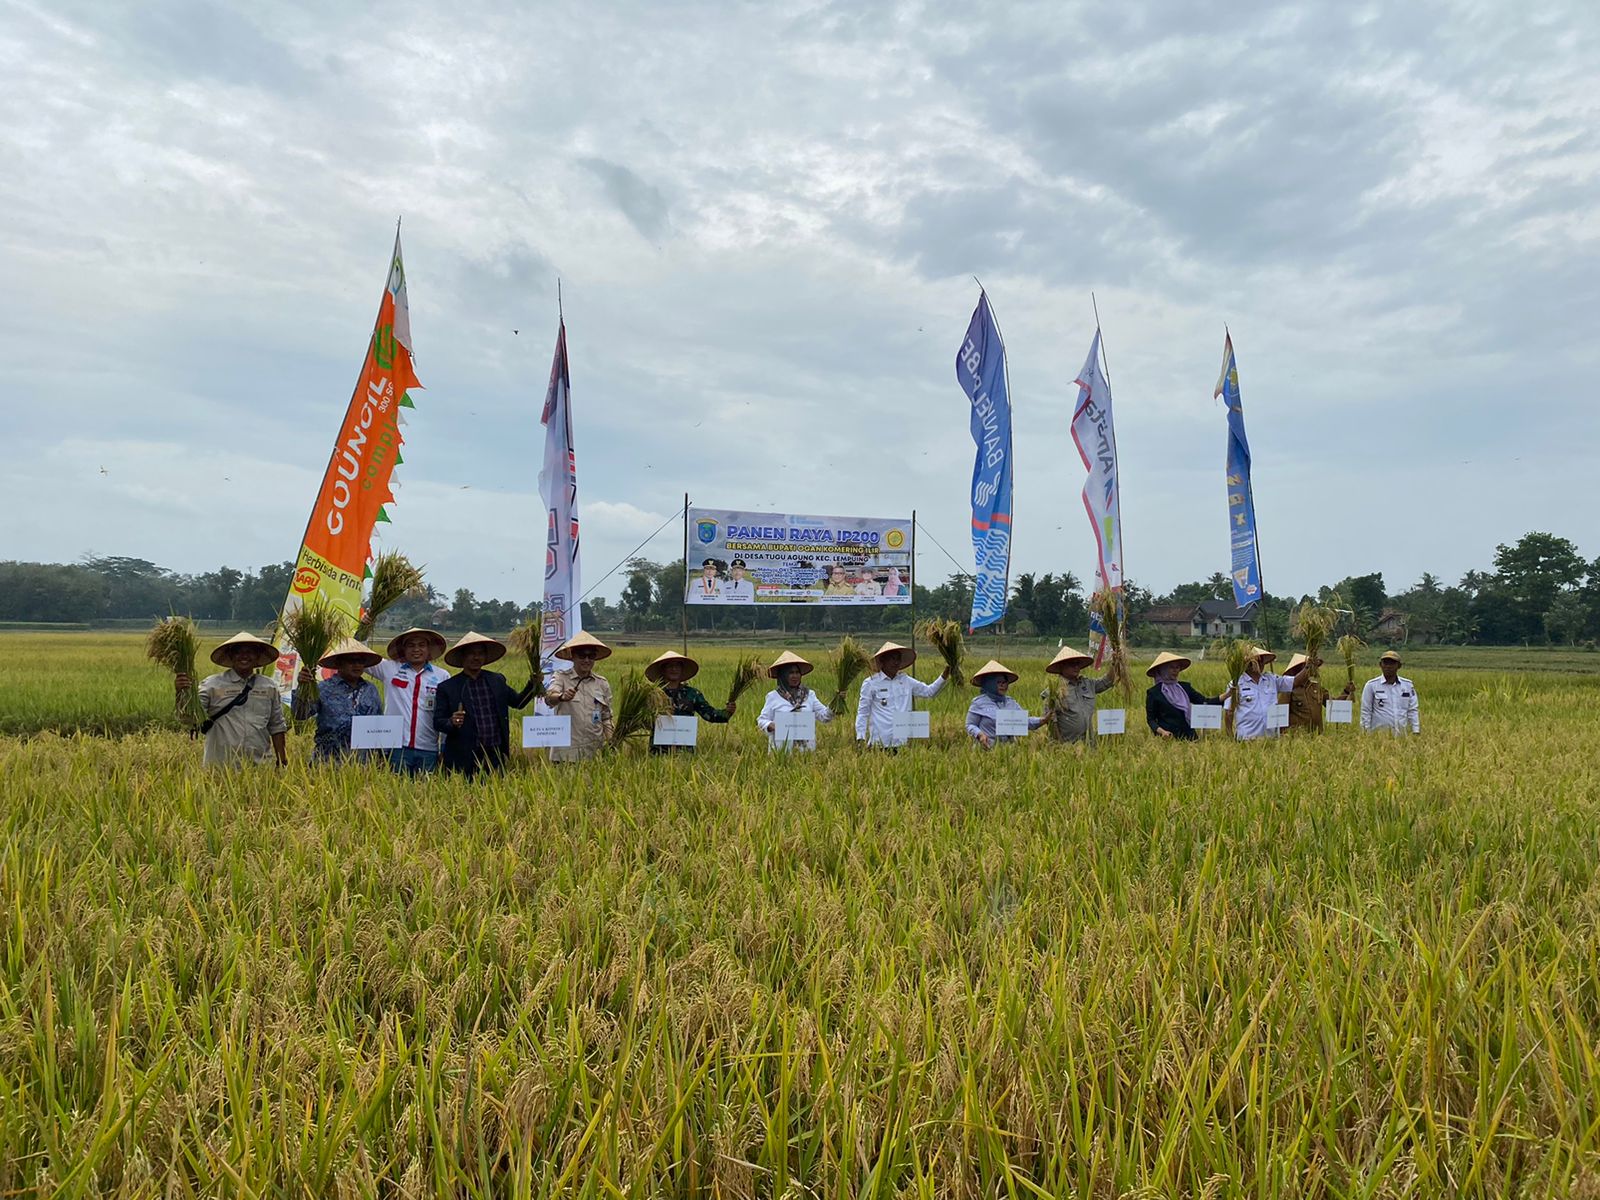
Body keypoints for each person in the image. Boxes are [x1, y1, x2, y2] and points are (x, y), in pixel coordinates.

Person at [432, 631, 541, 776]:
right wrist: (452, 722)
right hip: (463, 755)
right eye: (471, 653)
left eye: (480, 653)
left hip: (495, 753)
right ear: (462, 656)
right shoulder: (448, 687)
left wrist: (532, 685)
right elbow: (438, 722)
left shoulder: (497, 680)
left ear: (485, 656)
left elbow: (518, 702)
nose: (476, 657)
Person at [175, 631, 289, 767]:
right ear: (230, 656)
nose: (244, 656)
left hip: (261, 766)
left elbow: (276, 726)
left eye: (250, 652)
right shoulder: (211, 685)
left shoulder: (269, 687)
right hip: (220, 767)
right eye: (238, 652)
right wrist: (181, 693)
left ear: (258, 656)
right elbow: (189, 718)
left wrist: (282, 760)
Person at [368, 627, 450, 774]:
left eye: (421, 645)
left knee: (426, 794)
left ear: (428, 649)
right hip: (396, 748)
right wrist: (364, 627)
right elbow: (361, 654)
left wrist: (444, 748)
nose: (416, 649)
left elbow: (445, 714)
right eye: (411, 645)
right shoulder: (390, 669)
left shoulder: (441, 676)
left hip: (428, 749)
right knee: (392, 792)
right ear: (403, 649)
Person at [293, 637, 383, 761]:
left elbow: (379, 724)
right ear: (339, 663)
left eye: (360, 661)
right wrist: (302, 687)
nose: (357, 665)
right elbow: (300, 714)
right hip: (328, 760)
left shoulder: (371, 690)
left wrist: (382, 758)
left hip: (364, 762)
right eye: (351, 661)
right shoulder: (323, 688)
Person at [855, 640, 948, 748]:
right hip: (879, 743)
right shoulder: (871, 683)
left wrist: (944, 676)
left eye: (898, 659)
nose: (895, 662)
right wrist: (860, 737)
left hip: (901, 743)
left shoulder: (906, 680)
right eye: (892, 659)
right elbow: (863, 712)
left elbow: (929, 692)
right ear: (883, 661)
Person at [544, 630, 614, 762]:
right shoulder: (561, 677)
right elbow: (549, 698)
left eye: (591, 656)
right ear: (573, 656)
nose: (587, 660)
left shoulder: (601, 683)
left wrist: (611, 742)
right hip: (565, 754)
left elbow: (607, 717)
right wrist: (561, 697)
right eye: (582, 656)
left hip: (594, 752)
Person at [645, 650, 734, 753]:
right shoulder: (653, 694)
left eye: (677, 666)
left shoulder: (692, 694)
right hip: (658, 751)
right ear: (663, 670)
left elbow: (710, 714)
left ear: (682, 670)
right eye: (670, 666)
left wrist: (727, 712)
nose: (674, 669)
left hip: (685, 751)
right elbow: (643, 719)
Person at [757, 650, 833, 749]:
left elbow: (824, 716)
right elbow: (762, 720)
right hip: (781, 752)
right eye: (790, 673)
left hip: (806, 752)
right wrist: (771, 725)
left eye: (797, 672)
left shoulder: (809, 695)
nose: (795, 676)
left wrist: (835, 705)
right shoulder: (773, 697)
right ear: (783, 675)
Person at [1223, 646, 1302, 740]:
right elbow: (1229, 712)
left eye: (1261, 661)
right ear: (1247, 664)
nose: (1260, 664)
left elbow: (1295, 682)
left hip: (1271, 737)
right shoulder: (1236, 684)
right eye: (1256, 661)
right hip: (1246, 738)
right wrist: (1230, 737)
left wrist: (1308, 667)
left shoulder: (1272, 679)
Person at [1043, 644, 1115, 743]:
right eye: (1072, 664)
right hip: (1067, 746)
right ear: (1062, 666)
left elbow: (1107, 682)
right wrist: (1059, 746)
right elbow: (1051, 721)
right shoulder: (1054, 691)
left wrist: (1115, 663)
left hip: (1089, 745)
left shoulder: (1087, 683)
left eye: (1077, 664)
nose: (1076, 667)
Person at [1144, 652, 1224, 740]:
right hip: (1168, 738)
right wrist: (1162, 732)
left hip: (1189, 736)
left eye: (1177, 667)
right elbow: (1151, 720)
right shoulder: (1154, 692)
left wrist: (1227, 695)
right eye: (1171, 667)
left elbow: (1204, 702)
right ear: (1163, 669)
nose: (1175, 670)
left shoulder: (1185, 687)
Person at [965, 660, 1043, 748]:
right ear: (989, 683)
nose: (1003, 685)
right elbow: (970, 725)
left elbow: (1024, 722)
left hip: (1009, 751)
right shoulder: (979, 703)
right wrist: (979, 734)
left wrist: (1043, 720)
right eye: (998, 682)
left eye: (1005, 682)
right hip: (986, 748)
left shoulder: (1011, 702)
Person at [1282, 652, 1354, 732]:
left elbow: (1333, 705)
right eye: (1306, 667)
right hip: (1297, 735)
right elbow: (1281, 714)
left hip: (1316, 735)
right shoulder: (1288, 689)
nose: (1311, 670)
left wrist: (1346, 691)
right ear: (1298, 670)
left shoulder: (1316, 688)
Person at [1361, 650, 1420, 735]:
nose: (1388, 666)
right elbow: (1366, 711)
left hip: (1401, 736)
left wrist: (1416, 731)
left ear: (1399, 666)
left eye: (1392, 663)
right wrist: (1366, 733)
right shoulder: (1371, 685)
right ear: (1380, 665)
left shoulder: (1407, 686)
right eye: (1385, 663)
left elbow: (1412, 710)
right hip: (1379, 736)